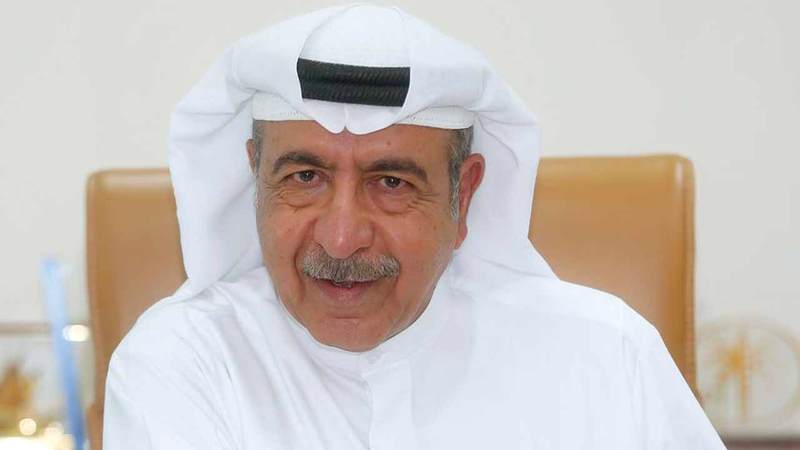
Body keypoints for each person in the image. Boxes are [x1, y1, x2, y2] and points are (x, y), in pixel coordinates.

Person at [102, 4, 726, 449]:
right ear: (255, 180)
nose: (341, 238)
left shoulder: (605, 356)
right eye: (304, 177)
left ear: (464, 196)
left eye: (392, 183)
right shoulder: (186, 361)